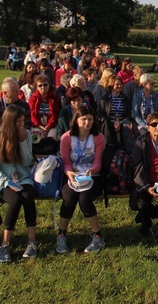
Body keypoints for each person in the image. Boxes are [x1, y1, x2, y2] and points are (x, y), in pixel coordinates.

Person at [0, 105, 37, 262]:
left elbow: (28, 162)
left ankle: (32, 242)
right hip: (2, 181)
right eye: (18, 122)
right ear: (9, 122)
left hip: (23, 177)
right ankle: (5, 243)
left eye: (23, 121)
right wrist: (7, 183)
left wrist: (22, 140)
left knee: (28, 197)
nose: (21, 125)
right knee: (15, 200)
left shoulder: (26, 135)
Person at [56, 106, 106, 254]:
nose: (87, 122)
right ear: (76, 121)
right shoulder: (66, 138)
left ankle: (97, 236)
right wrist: (70, 172)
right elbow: (66, 162)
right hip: (72, 176)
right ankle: (61, 234)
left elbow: (98, 161)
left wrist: (92, 170)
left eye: (90, 119)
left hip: (92, 177)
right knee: (69, 198)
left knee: (85, 199)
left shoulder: (98, 138)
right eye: (83, 119)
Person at [97, 75, 135, 154]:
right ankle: (109, 149)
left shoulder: (126, 98)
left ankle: (127, 152)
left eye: (121, 84)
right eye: (117, 84)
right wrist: (112, 123)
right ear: (112, 85)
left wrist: (120, 123)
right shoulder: (105, 98)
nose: (120, 86)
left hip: (122, 121)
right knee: (108, 126)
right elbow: (101, 114)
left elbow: (128, 114)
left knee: (125, 127)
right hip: (109, 122)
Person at [28, 74, 62, 142]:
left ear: (49, 85)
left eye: (45, 85)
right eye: (40, 85)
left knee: (51, 136)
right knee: (37, 136)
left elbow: (56, 114)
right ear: (37, 87)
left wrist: (48, 127)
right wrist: (40, 126)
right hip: (37, 125)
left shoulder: (54, 97)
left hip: (51, 125)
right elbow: (32, 114)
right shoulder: (33, 98)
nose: (43, 87)